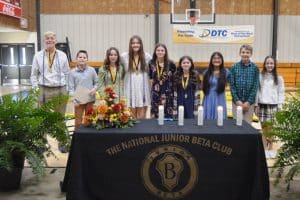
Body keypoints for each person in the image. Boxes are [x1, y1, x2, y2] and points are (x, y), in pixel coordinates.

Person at [30, 31, 70, 152]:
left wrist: (67, 89)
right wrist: (36, 89)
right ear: (44, 41)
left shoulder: (62, 55)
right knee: (42, 118)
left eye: (52, 38)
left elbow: (67, 73)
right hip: (43, 89)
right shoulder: (38, 55)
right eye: (47, 38)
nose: (49, 40)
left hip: (60, 88)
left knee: (59, 118)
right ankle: (42, 142)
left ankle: (63, 142)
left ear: (55, 41)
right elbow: (33, 75)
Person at [256, 55, 285, 158]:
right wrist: (256, 105)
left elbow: (281, 92)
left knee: (271, 129)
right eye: (267, 63)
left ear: (274, 65)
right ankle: (264, 149)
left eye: (271, 63)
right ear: (264, 64)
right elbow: (257, 91)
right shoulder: (260, 76)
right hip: (262, 105)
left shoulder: (279, 78)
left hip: (273, 105)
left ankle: (271, 148)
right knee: (264, 128)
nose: (269, 65)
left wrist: (280, 105)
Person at [121, 35, 151, 119]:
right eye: (133, 43)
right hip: (130, 86)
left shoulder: (147, 56)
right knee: (131, 116)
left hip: (143, 87)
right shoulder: (124, 56)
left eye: (137, 43)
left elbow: (153, 70)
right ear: (130, 45)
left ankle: (142, 131)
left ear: (141, 44)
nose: (135, 45)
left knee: (142, 116)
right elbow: (117, 68)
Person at [230, 44, 259, 124]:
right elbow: (232, 86)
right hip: (236, 102)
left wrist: (248, 102)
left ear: (251, 54)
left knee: (247, 125)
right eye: (243, 52)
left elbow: (255, 86)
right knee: (237, 125)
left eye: (247, 52)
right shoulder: (234, 67)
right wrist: (237, 101)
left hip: (249, 104)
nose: (245, 54)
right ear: (240, 54)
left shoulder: (255, 68)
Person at [68, 50, 98, 129]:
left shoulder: (92, 70)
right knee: (78, 121)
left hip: (90, 99)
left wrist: (95, 88)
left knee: (89, 119)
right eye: (80, 57)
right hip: (78, 101)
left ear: (87, 59)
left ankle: (89, 139)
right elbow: (70, 88)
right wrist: (74, 99)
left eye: (84, 57)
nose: (82, 59)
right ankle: (78, 139)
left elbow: (97, 83)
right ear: (76, 59)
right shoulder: (72, 73)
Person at [149, 43, 176, 118]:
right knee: (155, 113)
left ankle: (168, 129)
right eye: (158, 50)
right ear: (155, 52)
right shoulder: (151, 63)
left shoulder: (171, 63)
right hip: (156, 92)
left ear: (165, 52)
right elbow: (150, 78)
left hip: (168, 92)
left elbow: (174, 78)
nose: (160, 52)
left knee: (167, 113)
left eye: (162, 50)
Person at [202, 52, 229, 119]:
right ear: (211, 60)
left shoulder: (226, 72)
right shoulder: (206, 72)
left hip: (220, 98)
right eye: (214, 58)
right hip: (208, 98)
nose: (216, 60)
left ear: (222, 60)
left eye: (218, 58)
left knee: (220, 119)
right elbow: (203, 86)